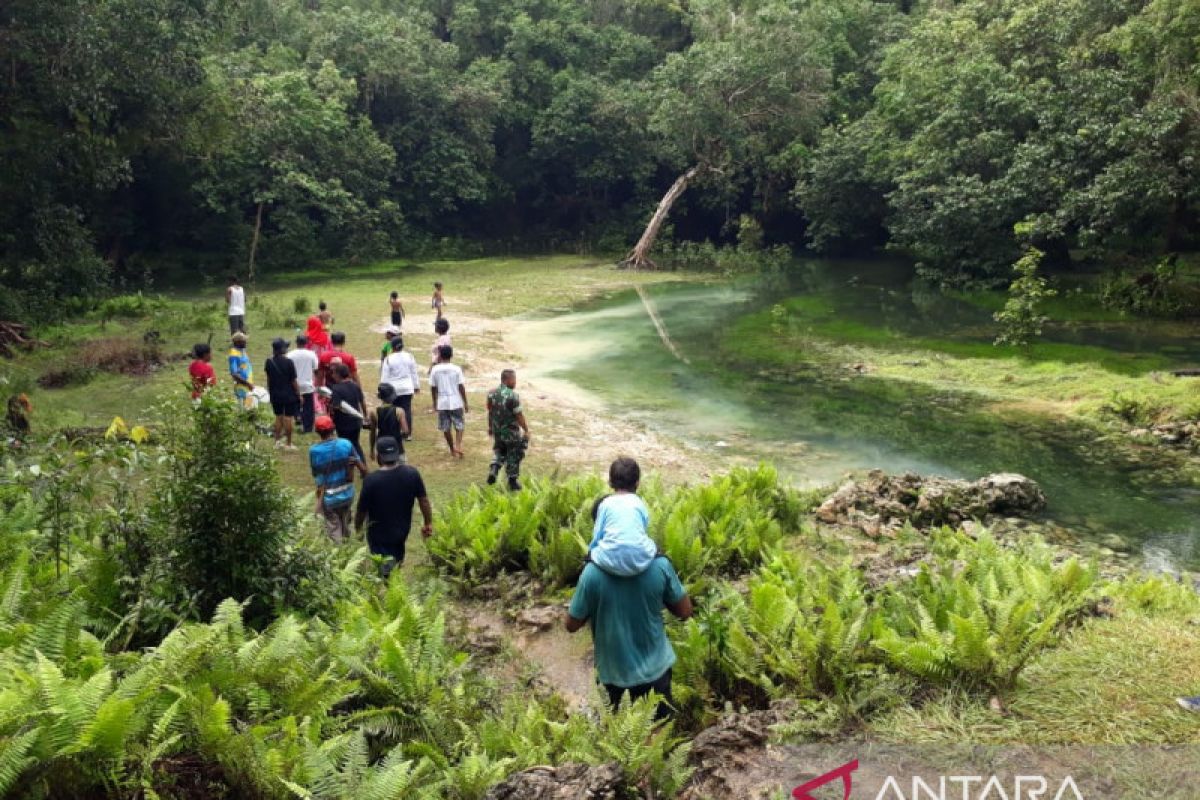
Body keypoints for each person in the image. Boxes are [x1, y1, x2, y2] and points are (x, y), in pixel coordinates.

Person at [565, 537, 693, 721]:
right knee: (657, 733)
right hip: (657, 671)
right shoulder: (659, 565)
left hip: (612, 674)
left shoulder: (591, 573)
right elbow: (685, 611)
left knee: (619, 735)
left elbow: (571, 625)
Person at [355, 435, 432, 578]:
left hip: (378, 534)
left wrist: (358, 529)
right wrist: (428, 522)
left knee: (386, 571)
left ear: (379, 456)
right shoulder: (412, 474)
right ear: (397, 454)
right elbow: (424, 500)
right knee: (396, 559)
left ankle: (393, 589)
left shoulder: (371, 480)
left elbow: (361, 511)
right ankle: (395, 584)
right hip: (402, 530)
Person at [587, 458, 658, 577]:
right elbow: (643, 530)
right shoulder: (639, 503)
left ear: (610, 482)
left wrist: (591, 553)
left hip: (607, 559)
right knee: (654, 547)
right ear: (637, 483)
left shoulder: (605, 504)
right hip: (640, 560)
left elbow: (597, 535)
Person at [310, 415, 367, 543]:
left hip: (329, 497)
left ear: (318, 432)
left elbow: (315, 473)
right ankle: (347, 552)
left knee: (334, 527)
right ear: (333, 428)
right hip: (347, 494)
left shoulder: (314, 451)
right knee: (345, 524)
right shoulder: (346, 444)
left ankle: (339, 554)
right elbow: (363, 469)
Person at [486, 369, 530, 491]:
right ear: (508, 380)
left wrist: (490, 427)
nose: (515, 382)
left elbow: (490, 412)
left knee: (499, 450)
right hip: (511, 432)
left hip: (497, 431)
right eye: (514, 379)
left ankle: (494, 469)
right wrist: (526, 429)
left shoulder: (491, 393)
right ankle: (513, 481)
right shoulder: (513, 395)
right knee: (514, 454)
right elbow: (519, 415)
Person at [429, 345, 467, 457]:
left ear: (440, 355)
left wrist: (434, 403)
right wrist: (466, 402)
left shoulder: (435, 369)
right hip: (456, 401)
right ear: (451, 355)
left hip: (442, 402)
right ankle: (458, 445)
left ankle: (452, 449)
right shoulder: (456, 369)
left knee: (445, 427)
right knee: (459, 424)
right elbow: (461, 386)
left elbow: (433, 387)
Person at [264, 338, 301, 449]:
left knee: (278, 417)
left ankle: (277, 442)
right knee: (288, 418)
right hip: (288, 394)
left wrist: (270, 392)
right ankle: (288, 443)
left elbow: (269, 379)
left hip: (275, 394)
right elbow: (293, 381)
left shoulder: (269, 362)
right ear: (282, 349)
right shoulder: (289, 362)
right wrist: (299, 394)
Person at [380, 335, 420, 436]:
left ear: (392, 347)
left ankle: (396, 431)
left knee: (394, 410)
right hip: (407, 388)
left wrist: (382, 390)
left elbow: (385, 377)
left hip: (394, 389)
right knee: (406, 409)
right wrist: (416, 386)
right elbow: (414, 372)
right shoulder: (409, 356)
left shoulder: (388, 359)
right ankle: (408, 433)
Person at [328, 362, 367, 462]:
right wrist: (365, 416)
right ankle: (363, 465)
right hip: (356, 421)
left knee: (345, 445)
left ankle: (349, 467)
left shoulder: (336, 389)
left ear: (338, 375)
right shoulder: (355, 386)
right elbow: (362, 402)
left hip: (342, 423)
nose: (332, 375)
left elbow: (336, 406)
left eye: (333, 373)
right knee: (355, 443)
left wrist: (330, 404)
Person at [287, 334, 319, 434]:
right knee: (308, 406)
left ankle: (297, 416)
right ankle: (308, 427)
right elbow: (316, 368)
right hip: (307, 384)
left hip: (294, 384)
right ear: (306, 343)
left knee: (295, 403)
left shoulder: (290, 355)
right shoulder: (311, 354)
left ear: (296, 342)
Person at [368, 384, 410, 461]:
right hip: (397, 447)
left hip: (382, 446)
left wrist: (371, 450)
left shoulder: (373, 412)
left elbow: (372, 433)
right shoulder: (399, 411)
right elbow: (406, 431)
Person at [227, 332, 254, 409]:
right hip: (242, 386)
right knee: (243, 410)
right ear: (237, 342)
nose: (246, 342)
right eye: (244, 340)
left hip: (248, 386)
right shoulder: (233, 355)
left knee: (249, 409)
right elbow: (234, 374)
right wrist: (247, 384)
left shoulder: (242, 351)